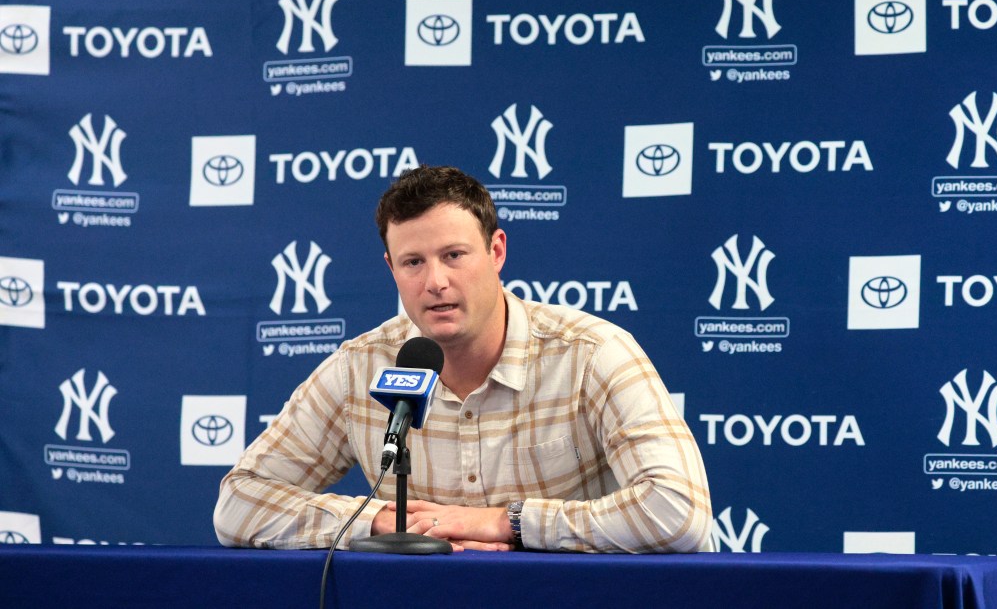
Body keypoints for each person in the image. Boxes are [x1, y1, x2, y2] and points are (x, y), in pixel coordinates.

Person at [214, 165, 712, 553]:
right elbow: (239, 502)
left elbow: (679, 511)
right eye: (413, 262)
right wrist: (377, 520)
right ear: (391, 268)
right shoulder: (360, 369)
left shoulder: (591, 354)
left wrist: (508, 522)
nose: (435, 282)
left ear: (496, 252)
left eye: (454, 255)